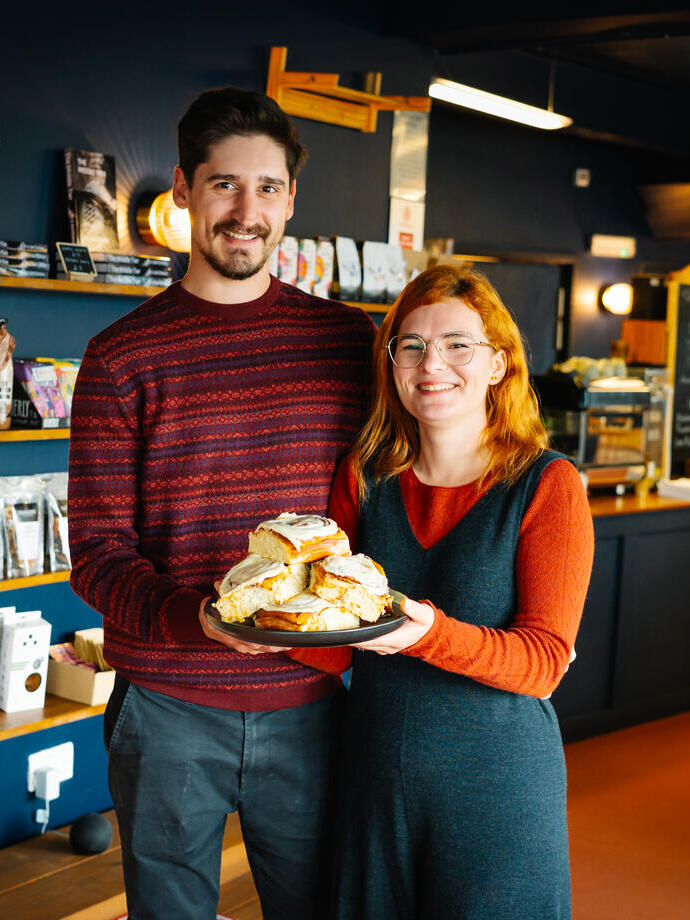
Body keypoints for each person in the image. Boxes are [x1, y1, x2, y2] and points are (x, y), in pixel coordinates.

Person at [68, 86, 374, 920]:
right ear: (183, 190)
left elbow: (386, 509)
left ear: (291, 200)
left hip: (313, 703)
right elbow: (95, 550)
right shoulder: (121, 354)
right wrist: (192, 617)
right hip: (166, 708)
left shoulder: (352, 346)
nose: (247, 211)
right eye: (225, 185)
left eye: (267, 188)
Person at [328, 264, 594, 920]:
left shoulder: (547, 486)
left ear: (499, 364)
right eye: (411, 346)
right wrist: (240, 628)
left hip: (497, 794)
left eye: (457, 344)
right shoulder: (363, 478)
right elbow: (325, 627)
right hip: (372, 784)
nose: (431, 363)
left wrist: (425, 634)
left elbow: (543, 664)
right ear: (391, 365)